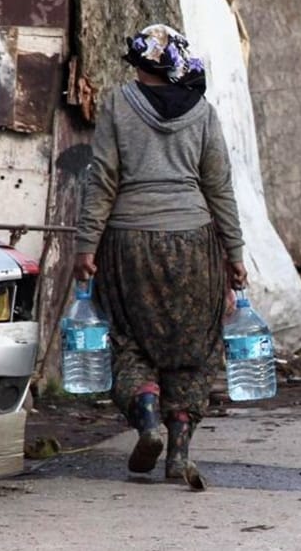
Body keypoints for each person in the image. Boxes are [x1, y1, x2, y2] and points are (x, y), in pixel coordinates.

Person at [74, 24, 246, 489]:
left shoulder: (117, 104)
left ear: (140, 65)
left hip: (130, 243)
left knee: (132, 340)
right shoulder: (204, 113)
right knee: (194, 349)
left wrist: (86, 245)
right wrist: (235, 253)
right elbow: (219, 189)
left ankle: (147, 420)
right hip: (194, 243)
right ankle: (179, 456)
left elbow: (102, 179)